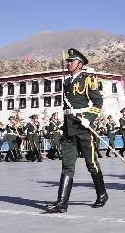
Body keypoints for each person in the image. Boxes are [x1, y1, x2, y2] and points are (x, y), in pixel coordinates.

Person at [45, 48, 107, 213]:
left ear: (80, 64)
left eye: (71, 61)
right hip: (69, 127)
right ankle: (62, 202)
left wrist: (89, 118)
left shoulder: (88, 80)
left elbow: (98, 102)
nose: (68, 63)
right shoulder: (66, 82)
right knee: (67, 164)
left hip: (83, 127)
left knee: (91, 163)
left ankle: (102, 194)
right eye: (68, 61)